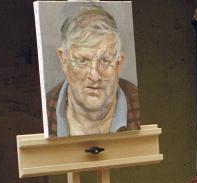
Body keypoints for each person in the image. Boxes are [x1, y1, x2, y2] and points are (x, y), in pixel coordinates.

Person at [47, 5, 140, 137]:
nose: (95, 76)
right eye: (83, 61)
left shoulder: (140, 105)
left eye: (105, 61)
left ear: (119, 64)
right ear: (63, 60)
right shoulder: (43, 111)